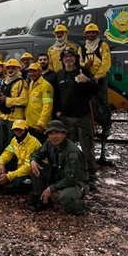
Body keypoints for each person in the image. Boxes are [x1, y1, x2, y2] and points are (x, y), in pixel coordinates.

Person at [53, 49, 98, 191]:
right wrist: (57, 112)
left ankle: (90, 177)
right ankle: (69, 174)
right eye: (66, 57)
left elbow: (95, 89)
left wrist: (88, 81)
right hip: (66, 118)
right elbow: (56, 95)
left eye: (71, 56)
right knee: (68, 149)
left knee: (87, 148)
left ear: (75, 58)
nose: (68, 59)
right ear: (62, 59)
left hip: (82, 117)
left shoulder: (83, 71)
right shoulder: (59, 75)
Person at [29, 120, 89, 214]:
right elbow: (39, 153)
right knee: (36, 168)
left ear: (64, 134)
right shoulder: (49, 143)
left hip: (76, 182)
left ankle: (80, 206)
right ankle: (42, 199)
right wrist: (33, 160)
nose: (53, 136)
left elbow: (71, 179)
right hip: (59, 175)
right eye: (50, 133)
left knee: (66, 197)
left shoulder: (72, 152)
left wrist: (51, 188)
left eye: (57, 133)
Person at [0, 119, 42, 195]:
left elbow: (28, 167)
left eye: (20, 130)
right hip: (20, 168)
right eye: (16, 130)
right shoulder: (14, 140)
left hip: (33, 172)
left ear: (26, 129)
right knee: (0, 169)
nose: (18, 132)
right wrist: (1, 163)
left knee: (19, 183)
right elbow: (8, 152)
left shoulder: (33, 143)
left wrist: (9, 176)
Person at [0, 58, 28, 133]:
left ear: (18, 69)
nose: (10, 70)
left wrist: (7, 100)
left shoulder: (22, 83)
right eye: (8, 68)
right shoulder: (4, 82)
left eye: (13, 68)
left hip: (15, 118)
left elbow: (24, 100)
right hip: (2, 117)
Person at [25, 62, 54, 140]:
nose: (31, 73)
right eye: (30, 71)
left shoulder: (46, 85)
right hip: (30, 124)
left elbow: (48, 106)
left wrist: (41, 123)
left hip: (40, 126)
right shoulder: (31, 83)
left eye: (34, 71)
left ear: (40, 72)